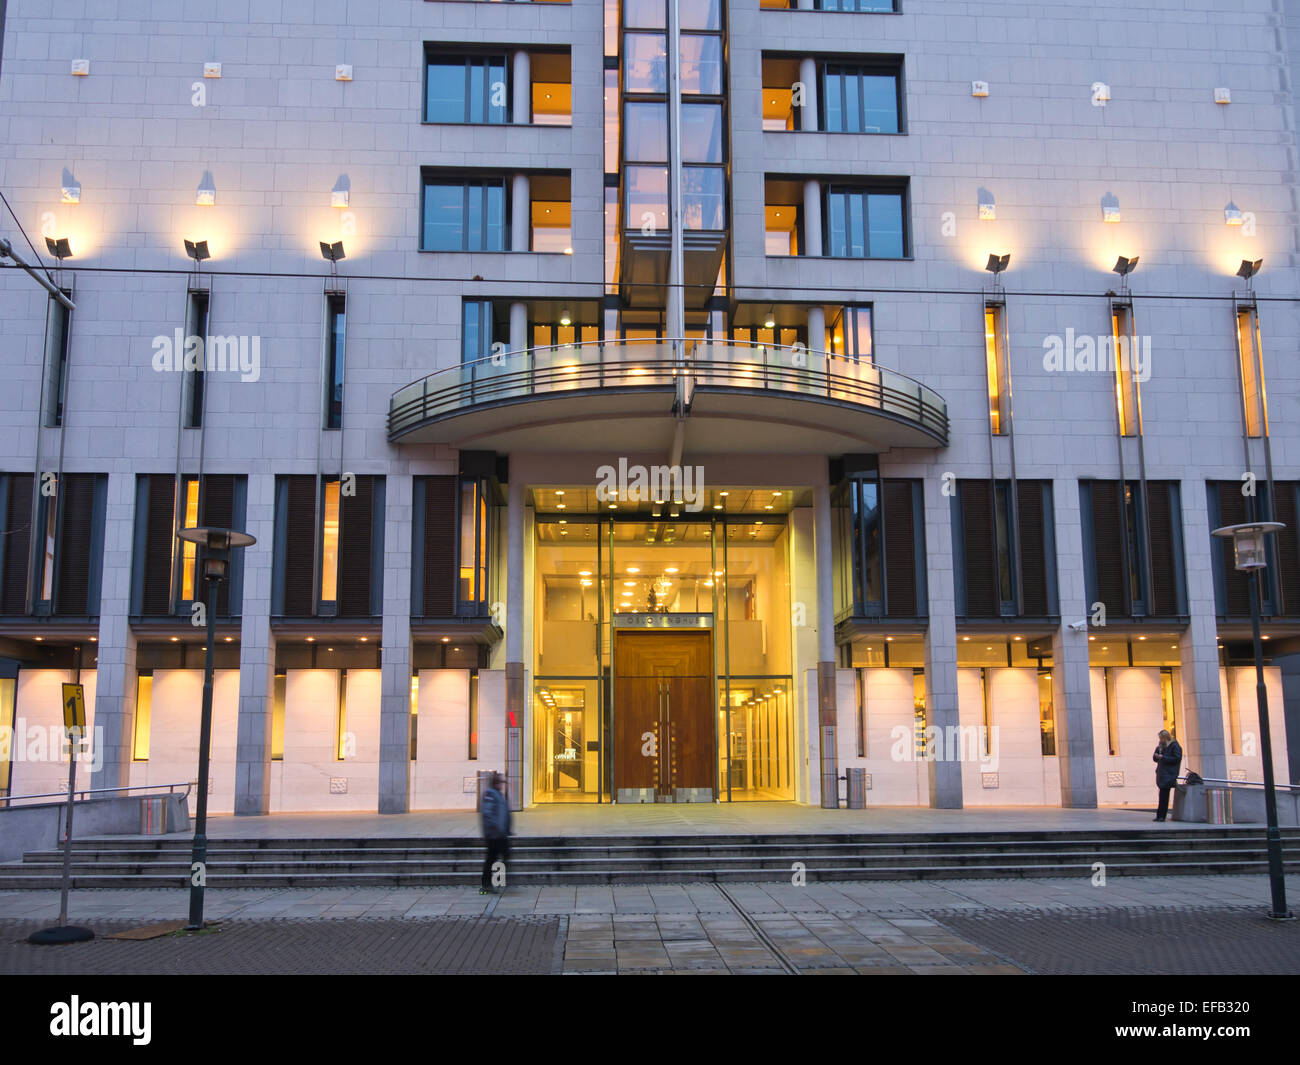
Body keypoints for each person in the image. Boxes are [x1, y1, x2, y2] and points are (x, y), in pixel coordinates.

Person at [479, 771, 512, 894]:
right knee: (493, 858)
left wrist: (507, 828)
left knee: (497, 856)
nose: (502, 785)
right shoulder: (490, 794)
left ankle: (495, 881)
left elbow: (503, 813)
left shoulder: (498, 794)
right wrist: (497, 829)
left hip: (500, 833)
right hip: (494, 834)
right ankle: (489, 883)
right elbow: (487, 814)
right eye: (500, 782)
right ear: (495, 783)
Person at [1152, 729, 1183, 822]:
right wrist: (1157, 754)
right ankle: (1159, 815)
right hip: (1162, 773)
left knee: (1164, 795)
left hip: (1169, 774)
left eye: (1162, 738)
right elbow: (1155, 758)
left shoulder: (1174, 746)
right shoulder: (1161, 746)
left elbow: (1176, 758)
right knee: (1162, 795)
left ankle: (1161, 816)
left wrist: (1163, 757)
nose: (1161, 740)